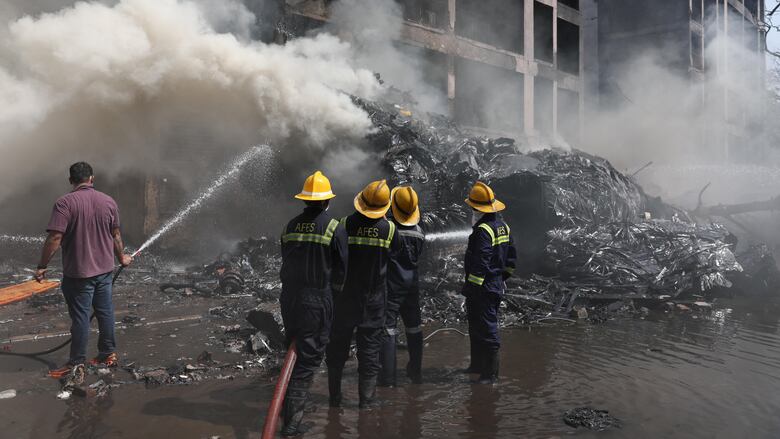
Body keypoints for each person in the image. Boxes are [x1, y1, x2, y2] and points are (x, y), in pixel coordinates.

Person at [34, 162, 133, 378]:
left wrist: (42, 266)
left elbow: (55, 237)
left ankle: (76, 363)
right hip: (105, 270)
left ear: (71, 180)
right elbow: (115, 234)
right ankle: (108, 353)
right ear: (92, 178)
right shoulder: (108, 201)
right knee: (105, 313)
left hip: (79, 274)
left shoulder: (64, 203)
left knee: (80, 318)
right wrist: (122, 258)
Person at [278, 170, 348, 436]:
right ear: (327, 201)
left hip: (290, 299)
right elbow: (342, 271)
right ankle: (292, 426)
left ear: (305, 200)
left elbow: (286, 259)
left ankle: (287, 412)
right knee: (308, 360)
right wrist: (333, 299)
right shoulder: (334, 227)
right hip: (316, 299)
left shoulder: (290, 226)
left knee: (293, 352)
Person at [326, 179, 400, 409]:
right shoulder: (389, 230)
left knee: (337, 351)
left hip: (344, 299)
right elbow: (394, 257)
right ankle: (366, 404)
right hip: (374, 301)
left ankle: (334, 400)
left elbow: (334, 258)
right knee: (369, 354)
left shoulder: (343, 223)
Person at [462, 181, 516, 384]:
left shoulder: (483, 230)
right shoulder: (504, 227)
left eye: (472, 208)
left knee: (487, 329)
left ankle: (490, 375)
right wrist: (502, 278)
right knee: (476, 327)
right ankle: (476, 366)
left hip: (483, 288)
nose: (472, 211)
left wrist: (472, 286)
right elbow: (511, 259)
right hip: (492, 284)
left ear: (477, 208)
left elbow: (481, 261)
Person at [378, 186, 425, 387]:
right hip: (411, 285)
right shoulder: (419, 232)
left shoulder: (388, 229)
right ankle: (415, 371)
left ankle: (388, 379)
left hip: (391, 287)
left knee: (388, 330)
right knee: (414, 327)